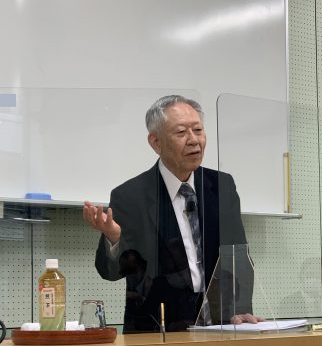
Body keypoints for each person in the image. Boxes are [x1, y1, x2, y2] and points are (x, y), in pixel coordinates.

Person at [83, 95, 261, 332]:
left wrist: (240, 309)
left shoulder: (222, 186)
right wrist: (114, 239)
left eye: (198, 130)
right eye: (181, 132)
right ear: (156, 142)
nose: (193, 140)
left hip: (221, 327)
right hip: (159, 332)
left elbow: (237, 256)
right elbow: (110, 272)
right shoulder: (130, 196)